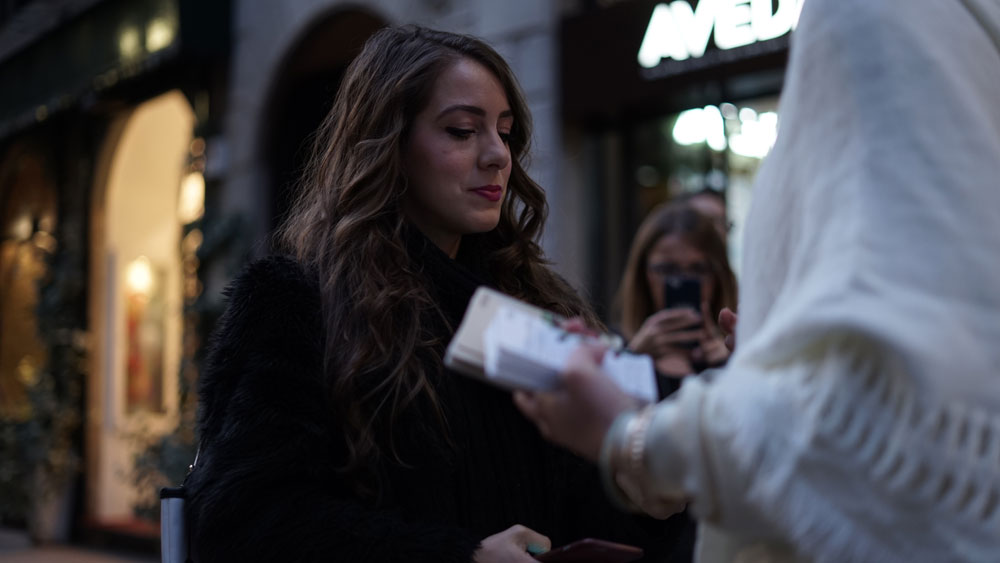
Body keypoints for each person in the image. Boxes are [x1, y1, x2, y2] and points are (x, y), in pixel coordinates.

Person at [184, 25, 692, 563]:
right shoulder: (296, 303)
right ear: (388, 143)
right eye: (461, 131)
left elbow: (583, 505)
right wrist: (461, 556)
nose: (498, 155)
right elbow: (242, 519)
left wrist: (654, 486)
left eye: (504, 131)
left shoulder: (535, 307)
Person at [514, 0, 1000, 561]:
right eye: (667, 268)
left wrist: (626, 434)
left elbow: (877, 418)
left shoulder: (877, 16)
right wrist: (778, 358)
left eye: (696, 268)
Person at [615, 203, 737, 379]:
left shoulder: (737, 348)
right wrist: (633, 358)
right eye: (667, 270)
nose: (682, 280)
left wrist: (728, 365)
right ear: (642, 274)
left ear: (718, 275)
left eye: (699, 269)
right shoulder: (614, 347)